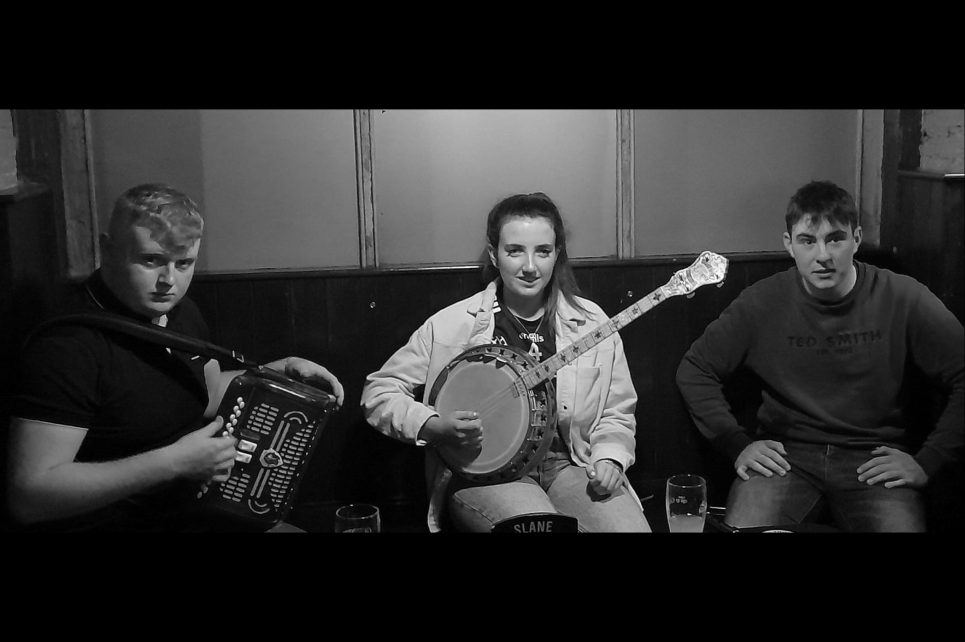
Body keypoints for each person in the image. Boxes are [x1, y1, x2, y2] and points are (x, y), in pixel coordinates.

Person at [5, 183, 344, 532]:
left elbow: (205, 393)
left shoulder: (182, 314)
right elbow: (30, 496)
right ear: (107, 249)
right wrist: (171, 463)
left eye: (184, 263)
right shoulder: (69, 347)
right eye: (151, 260)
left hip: (191, 507)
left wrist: (274, 373)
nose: (169, 281)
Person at [676, 180, 963, 532]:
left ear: (856, 239)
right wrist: (737, 444)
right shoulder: (763, 301)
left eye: (836, 239)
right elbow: (695, 369)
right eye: (808, 241)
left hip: (872, 458)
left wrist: (927, 461)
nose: (823, 255)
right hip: (787, 458)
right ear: (789, 245)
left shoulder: (902, 296)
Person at [361, 192, 650, 532]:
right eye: (515, 250)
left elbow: (617, 410)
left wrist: (610, 457)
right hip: (486, 472)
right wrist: (433, 426)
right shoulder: (453, 324)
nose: (530, 266)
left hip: (571, 464)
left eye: (542, 251)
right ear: (494, 256)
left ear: (557, 255)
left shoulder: (592, 322)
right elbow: (379, 392)